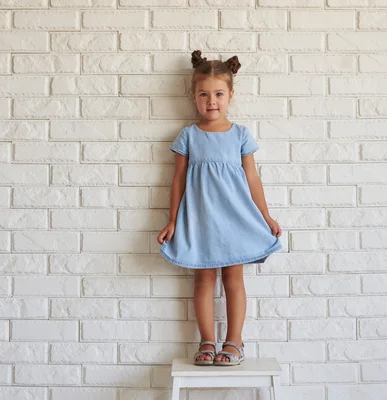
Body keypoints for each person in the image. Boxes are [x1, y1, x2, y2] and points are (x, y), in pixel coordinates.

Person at [157, 50, 282, 366]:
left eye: (218, 94)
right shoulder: (188, 135)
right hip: (200, 221)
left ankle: (234, 342)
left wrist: (265, 216)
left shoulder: (240, 134)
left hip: (236, 219)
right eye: (204, 94)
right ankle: (207, 341)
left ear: (230, 95)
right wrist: (173, 220)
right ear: (194, 97)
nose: (211, 101)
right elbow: (178, 181)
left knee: (233, 280)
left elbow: (252, 178)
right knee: (202, 280)